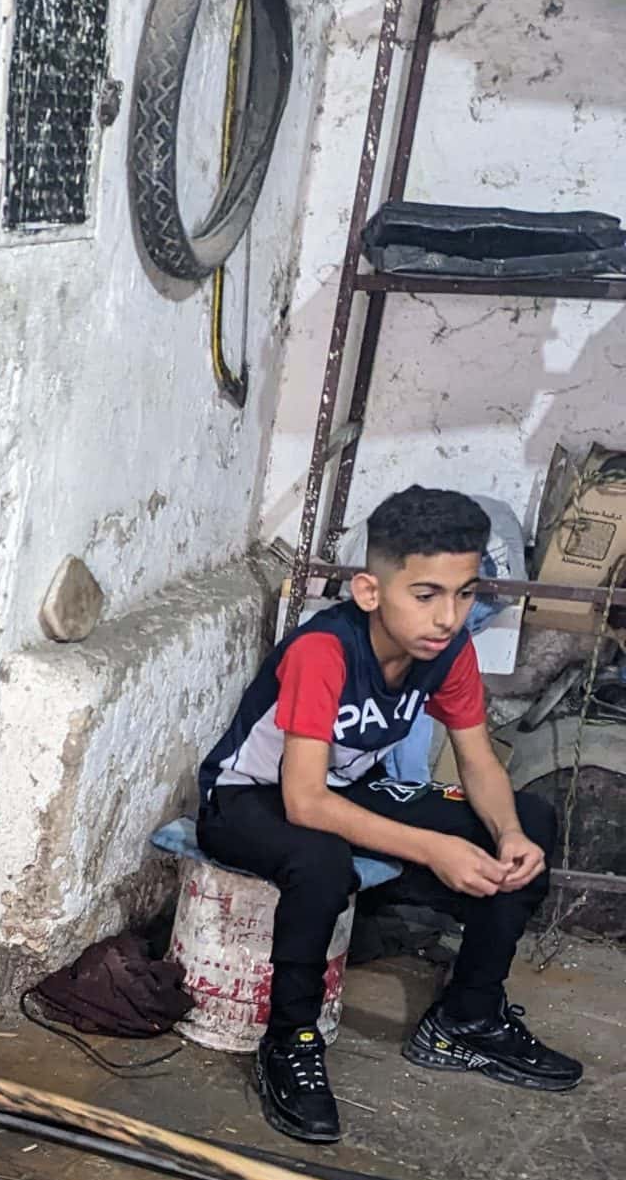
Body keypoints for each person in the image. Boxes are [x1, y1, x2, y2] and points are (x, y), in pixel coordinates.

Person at [196, 485, 581, 1146]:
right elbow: (304, 802)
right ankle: (290, 1042)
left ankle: (467, 1019)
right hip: (246, 799)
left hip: (344, 790)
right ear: (371, 591)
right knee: (320, 860)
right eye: (426, 595)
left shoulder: (448, 653)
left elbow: (479, 763)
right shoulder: (325, 651)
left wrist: (509, 834)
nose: (449, 616)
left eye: (464, 594)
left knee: (532, 818)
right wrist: (433, 851)